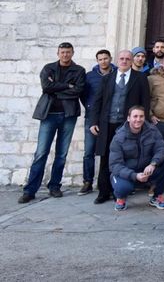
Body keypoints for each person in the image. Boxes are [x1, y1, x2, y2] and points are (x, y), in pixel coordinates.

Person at [20, 42, 86, 204]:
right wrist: (66, 86)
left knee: (61, 154)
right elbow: (46, 87)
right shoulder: (48, 68)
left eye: (68, 52)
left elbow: (77, 90)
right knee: (41, 153)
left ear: (72, 53)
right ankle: (30, 190)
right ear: (58, 53)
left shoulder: (79, 70)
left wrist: (56, 88)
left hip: (68, 115)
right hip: (48, 115)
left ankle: (54, 186)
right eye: (62, 52)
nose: (65, 55)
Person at [90, 50, 151, 204]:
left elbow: (145, 102)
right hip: (107, 123)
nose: (124, 61)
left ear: (132, 61)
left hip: (128, 125)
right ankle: (103, 192)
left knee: (126, 156)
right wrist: (93, 121)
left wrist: (143, 122)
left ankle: (122, 190)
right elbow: (97, 101)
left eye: (127, 59)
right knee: (105, 157)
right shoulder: (107, 78)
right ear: (117, 60)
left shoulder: (140, 78)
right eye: (122, 58)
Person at [108, 106, 164, 211]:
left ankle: (156, 195)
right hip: (127, 173)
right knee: (123, 188)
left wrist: (153, 164)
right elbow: (115, 165)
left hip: (147, 169)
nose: (138, 119)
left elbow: (161, 149)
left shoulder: (152, 130)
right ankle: (121, 197)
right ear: (128, 118)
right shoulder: (118, 138)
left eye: (141, 116)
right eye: (135, 116)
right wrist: (135, 175)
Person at [79, 49, 114, 195]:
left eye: (106, 58)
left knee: (110, 151)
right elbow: (83, 94)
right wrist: (89, 107)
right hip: (92, 118)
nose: (103, 61)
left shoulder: (116, 74)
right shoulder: (90, 76)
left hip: (109, 118)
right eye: (100, 59)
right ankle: (88, 182)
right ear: (97, 61)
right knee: (89, 151)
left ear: (110, 59)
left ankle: (107, 182)